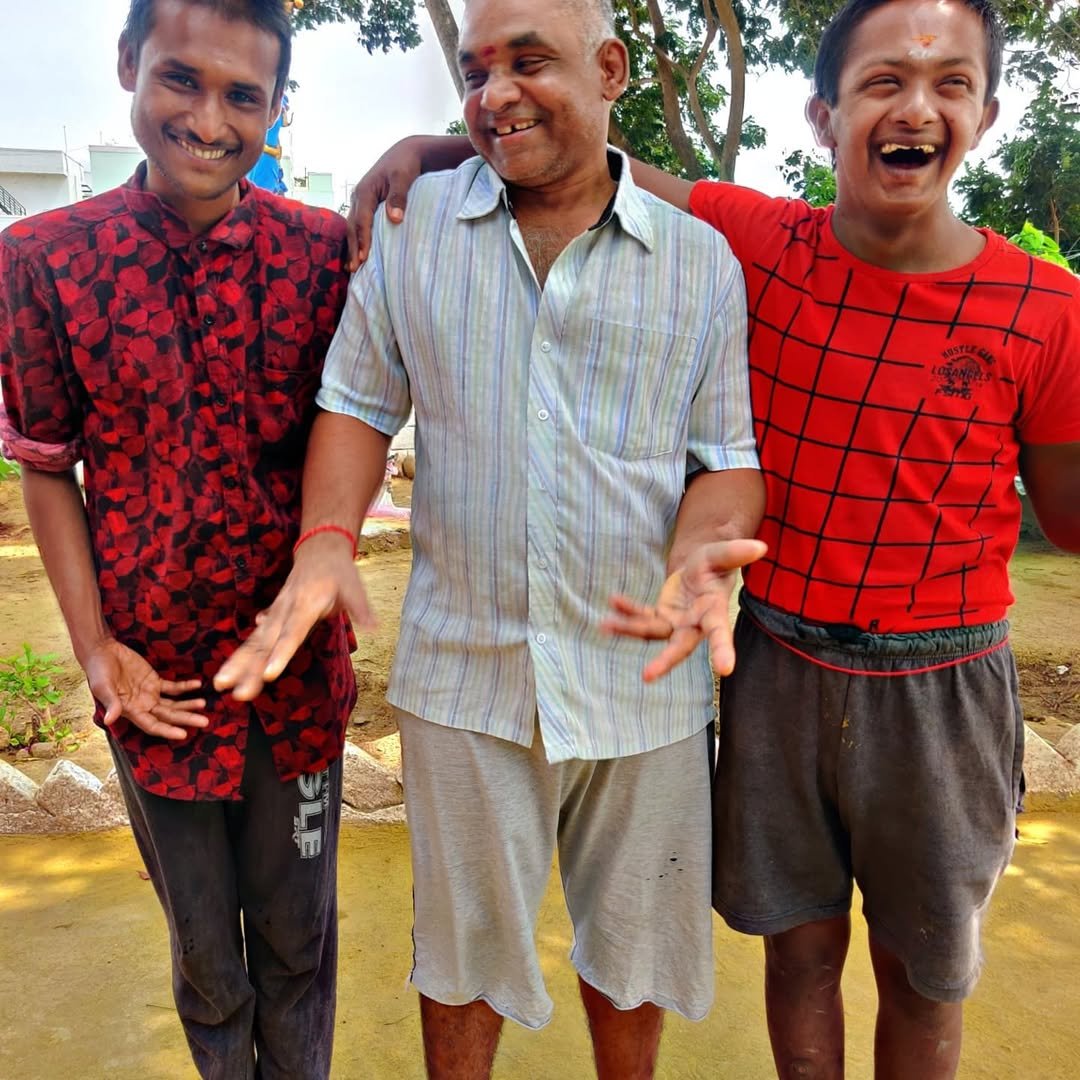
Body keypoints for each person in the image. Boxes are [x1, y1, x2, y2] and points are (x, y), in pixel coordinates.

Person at [343, 1, 1080, 1077]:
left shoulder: (1047, 307)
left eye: (949, 83)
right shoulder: (764, 241)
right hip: (777, 661)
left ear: (988, 112)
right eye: (882, 81)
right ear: (825, 116)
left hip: (945, 679)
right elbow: (585, 156)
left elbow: (1067, 514)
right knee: (799, 953)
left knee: (926, 972)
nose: (915, 108)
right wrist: (444, 143)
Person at [215, 0, 765, 1076]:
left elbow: (727, 455)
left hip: (643, 677)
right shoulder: (413, 227)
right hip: (466, 673)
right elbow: (357, 402)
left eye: (529, 62)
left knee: (635, 961)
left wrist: (703, 553)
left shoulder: (700, 262)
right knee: (461, 962)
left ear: (611, 69)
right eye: (475, 71)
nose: (494, 93)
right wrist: (325, 538)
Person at [0, 2, 356, 1077]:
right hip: (151, 686)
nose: (208, 120)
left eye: (244, 95)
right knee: (208, 963)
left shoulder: (323, 253)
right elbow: (46, 463)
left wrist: (419, 151)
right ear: (129, 65)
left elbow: (355, 423)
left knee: (297, 949)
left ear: (277, 107)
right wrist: (95, 651)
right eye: (180, 80)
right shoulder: (42, 258)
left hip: (294, 677)